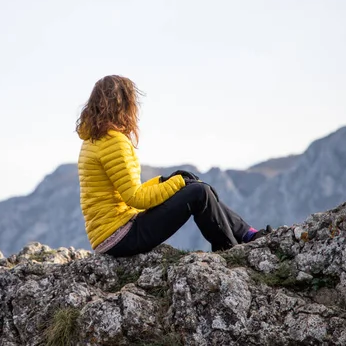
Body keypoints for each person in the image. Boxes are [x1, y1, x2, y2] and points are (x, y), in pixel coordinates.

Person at [76, 75, 271, 257]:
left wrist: (164, 181)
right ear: (124, 105)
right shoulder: (113, 141)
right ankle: (229, 251)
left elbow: (126, 193)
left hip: (110, 235)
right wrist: (178, 183)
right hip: (121, 237)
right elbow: (136, 198)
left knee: (194, 187)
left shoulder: (93, 140)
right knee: (199, 193)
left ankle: (248, 234)